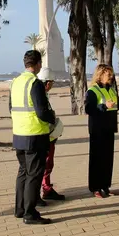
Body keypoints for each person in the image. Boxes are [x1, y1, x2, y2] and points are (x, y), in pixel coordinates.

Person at [9, 50, 56, 225]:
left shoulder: (15, 82)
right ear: (37, 64)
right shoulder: (35, 83)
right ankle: (30, 213)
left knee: (23, 172)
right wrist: (52, 118)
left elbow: (10, 107)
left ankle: (19, 209)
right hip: (35, 135)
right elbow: (41, 111)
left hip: (19, 134)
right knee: (34, 175)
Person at [85, 64, 119, 198]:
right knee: (97, 160)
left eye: (112, 74)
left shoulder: (111, 90)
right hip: (97, 130)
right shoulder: (92, 91)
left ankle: (105, 186)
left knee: (107, 160)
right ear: (100, 75)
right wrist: (104, 106)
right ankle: (95, 188)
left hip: (109, 129)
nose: (111, 77)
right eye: (108, 74)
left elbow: (113, 107)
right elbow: (88, 109)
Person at [37, 68, 66, 202]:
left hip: (46, 134)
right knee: (45, 164)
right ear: (48, 83)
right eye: (52, 82)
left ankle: (46, 188)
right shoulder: (40, 96)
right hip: (44, 134)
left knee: (47, 163)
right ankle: (44, 189)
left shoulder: (42, 95)